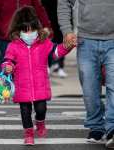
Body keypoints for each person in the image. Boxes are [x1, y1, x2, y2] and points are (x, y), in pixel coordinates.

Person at [1, 6, 75, 145]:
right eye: (25, 29)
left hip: (40, 84)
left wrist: (67, 46)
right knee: (25, 111)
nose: (28, 32)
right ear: (18, 30)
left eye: (31, 29)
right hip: (22, 86)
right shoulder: (13, 46)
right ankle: (28, 133)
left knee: (41, 109)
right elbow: (7, 60)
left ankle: (40, 122)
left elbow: (56, 52)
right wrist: (7, 67)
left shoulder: (44, 43)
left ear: (36, 27)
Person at [58, 0, 114, 148]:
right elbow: (63, 2)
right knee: (89, 88)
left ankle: (112, 127)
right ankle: (96, 126)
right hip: (86, 40)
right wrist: (67, 30)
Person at [0, 0, 51, 71]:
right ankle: (5, 79)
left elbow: (39, 10)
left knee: (23, 64)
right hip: (4, 38)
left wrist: (46, 26)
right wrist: (2, 28)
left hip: (25, 36)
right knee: (7, 61)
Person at [41, 0, 68, 78]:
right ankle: (49, 65)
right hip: (48, 24)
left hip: (60, 24)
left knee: (60, 44)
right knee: (48, 46)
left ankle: (59, 66)